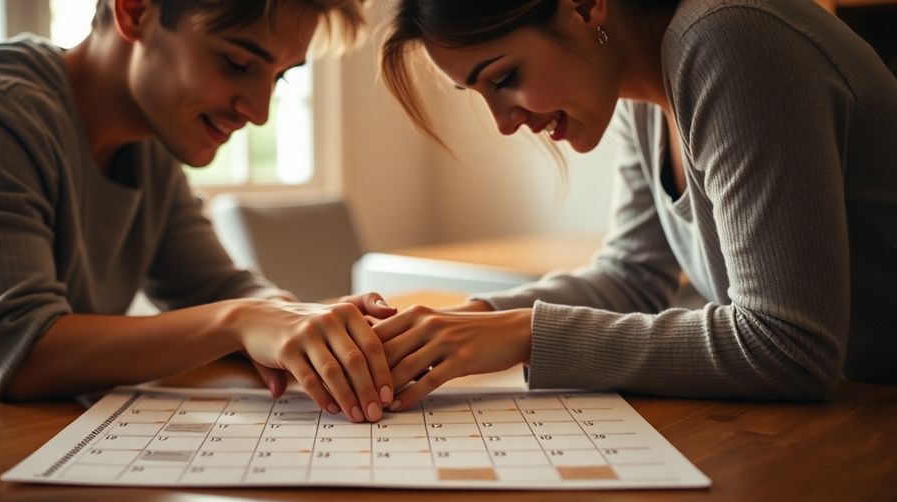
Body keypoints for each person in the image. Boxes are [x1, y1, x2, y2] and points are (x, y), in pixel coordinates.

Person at [0, 0, 395, 423]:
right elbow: (22, 352)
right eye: (237, 63)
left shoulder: (146, 142)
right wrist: (245, 320)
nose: (258, 112)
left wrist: (304, 324)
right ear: (135, 11)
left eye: (278, 78)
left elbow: (214, 288)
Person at [375, 0, 897, 411]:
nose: (504, 123)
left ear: (583, 6)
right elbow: (632, 277)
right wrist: (458, 324)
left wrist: (524, 335)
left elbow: (788, 347)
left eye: (504, 78)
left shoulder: (731, 38)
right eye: (477, 92)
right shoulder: (645, 90)